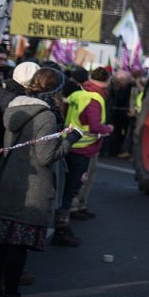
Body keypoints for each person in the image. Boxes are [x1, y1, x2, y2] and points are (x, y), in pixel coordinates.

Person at [0, 64, 74, 297]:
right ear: (55, 90)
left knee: (0, 243)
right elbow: (45, 156)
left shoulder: (14, 107)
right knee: (18, 244)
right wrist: (70, 140)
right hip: (32, 186)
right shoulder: (45, 115)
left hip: (8, 179)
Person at [61, 66, 113, 227]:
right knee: (75, 185)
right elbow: (95, 126)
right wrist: (109, 129)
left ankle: (68, 213)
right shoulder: (95, 99)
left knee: (70, 184)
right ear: (107, 81)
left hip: (69, 141)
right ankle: (64, 221)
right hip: (84, 145)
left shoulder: (77, 94)